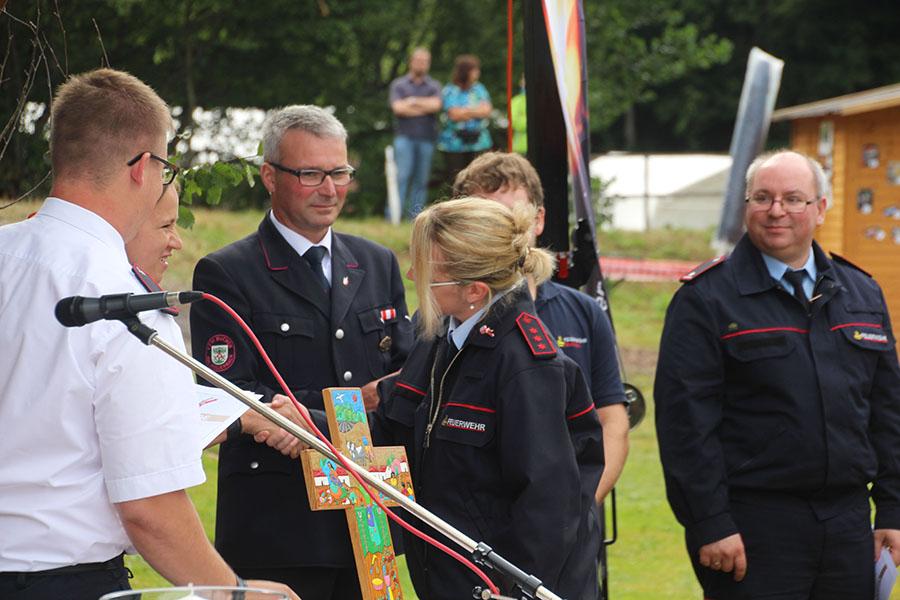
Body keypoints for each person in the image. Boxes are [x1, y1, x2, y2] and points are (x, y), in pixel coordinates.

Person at [0, 68, 296, 600]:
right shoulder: (126, 303)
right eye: (166, 167)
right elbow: (149, 508)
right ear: (143, 167)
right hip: (60, 579)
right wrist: (234, 592)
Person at [189, 104, 414, 600]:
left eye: (339, 173)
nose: (329, 189)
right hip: (280, 529)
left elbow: (408, 377)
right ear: (270, 175)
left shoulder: (376, 263)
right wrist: (347, 408)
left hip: (370, 522)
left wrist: (326, 412)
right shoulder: (227, 273)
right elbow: (225, 393)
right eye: (310, 173)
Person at [654, 149, 900, 599]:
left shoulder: (860, 292)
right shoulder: (707, 300)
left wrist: (892, 508)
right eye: (762, 198)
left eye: (793, 199)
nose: (776, 211)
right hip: (753, 528)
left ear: (821, 208)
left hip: (847, 525)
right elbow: (685, 426)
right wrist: (710, 523)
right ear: (746, 206)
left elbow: (888, 414)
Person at [371, 197, 604, 600]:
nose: (412, 275)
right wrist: (308, 421)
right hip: (452, 578)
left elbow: (548, 508)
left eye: (428, 273)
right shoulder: (446, 337)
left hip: (498, 589)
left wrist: (511, 593)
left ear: (475, 290)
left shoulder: (527, 366)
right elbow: (396, 422)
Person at [452, 151, 629, 505]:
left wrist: (579, 510)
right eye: (486, 217)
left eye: (511, 216)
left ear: (539, 220)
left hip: (570, 521)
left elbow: (612, 421)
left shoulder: (584, 312)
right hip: (475, 526)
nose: (501, 231)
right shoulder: (444, 316)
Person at [389, 47, 442, 219]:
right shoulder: (399, 85)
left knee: (421, 180)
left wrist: (411, 102)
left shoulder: (434, 86)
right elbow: (398, 109)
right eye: (419, 60)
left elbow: (436, 106)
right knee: (402, 177)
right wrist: (424, 107)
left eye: (425, 61)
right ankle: (393, 216)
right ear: (411, 61)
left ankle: (416, 218)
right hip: (404, 137)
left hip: (426, 138)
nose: (422, 64)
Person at [437, 54, 492, 184]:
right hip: (455, 144)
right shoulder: (450, 90)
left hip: (478, 142)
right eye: (475, 70)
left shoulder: (479, 89)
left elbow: (487, 111)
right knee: (456, 179)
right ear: (466, 71)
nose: (478, 73)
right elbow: (454, 115)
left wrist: (465, 111)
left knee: (479, 178)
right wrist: (475, 111)